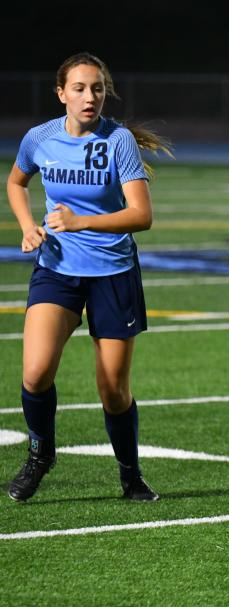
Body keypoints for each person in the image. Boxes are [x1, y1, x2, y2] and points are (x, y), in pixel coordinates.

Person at [6, 52, 172, 502]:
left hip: (113, 275)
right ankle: (41, 454)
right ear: (61, 93)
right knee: (36, 372)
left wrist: (82, 222)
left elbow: (142, 215)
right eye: (79, 88)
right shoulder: (39, 138)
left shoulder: (118, 141)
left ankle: (130, 475)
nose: (89, 97)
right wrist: (27, 227)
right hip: (56, 270)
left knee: (114, 390)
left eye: (97, 88)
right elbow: (16, 182)